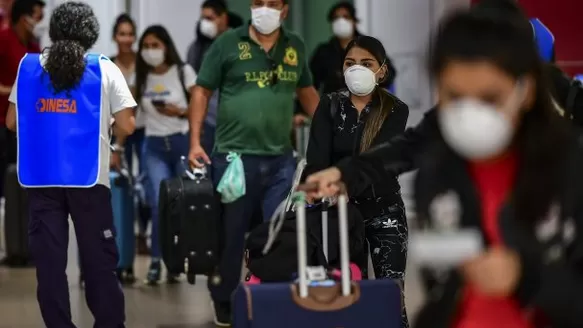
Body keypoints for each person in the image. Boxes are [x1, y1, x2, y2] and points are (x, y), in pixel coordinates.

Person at [307, 7, 583, 328]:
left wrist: (524, 277)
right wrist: (345, 173)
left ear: (527, 90)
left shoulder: (566, 170)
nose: (470, 114)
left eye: (489, 98)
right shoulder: (440, 169)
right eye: (455, 96)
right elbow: (406, 147)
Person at [187, 0, 320, 325]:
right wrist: (194, 142)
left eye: (272, 3)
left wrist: (332, 134)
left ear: (285, 10)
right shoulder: (227, 44)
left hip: (280, 161)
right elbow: (201, 91)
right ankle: (225, 300)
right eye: (258, 2)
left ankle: (270, 296)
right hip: (235, 160)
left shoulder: (295, 46)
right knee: (231, 236)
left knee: (279, 233)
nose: (264, 8)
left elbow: (307, 92)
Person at [5, 2, 135, 327]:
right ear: (90, 34)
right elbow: (128, 124)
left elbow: (10, 121)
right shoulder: (104, 67)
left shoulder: (28, 67)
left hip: (42, 180)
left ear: (54, 30)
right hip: (89, 181)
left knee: (49, 267)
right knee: (99, 266)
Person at [303, 35, 410, 327]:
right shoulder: (329, 105)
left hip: (384, 212)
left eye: (366, 63)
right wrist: (315, 185)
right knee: (349, 294)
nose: (357, 69)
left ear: (382, 71)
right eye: (350, 63)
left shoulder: (395, 110)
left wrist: (345, 184)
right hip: (338, 216)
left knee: (391, 295)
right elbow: (317, 158)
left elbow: (381, 162)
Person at [134, 25, 197, 285]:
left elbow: (199, 105)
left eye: (155, 45)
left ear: (166, 46)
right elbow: (133, 114)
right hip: (154, 147)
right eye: (146, 46)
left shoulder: (183, 72)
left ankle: (175, 259)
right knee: (159, 204)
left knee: (181, 206)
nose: (151, 51)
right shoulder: (142, 76)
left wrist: (180, 112)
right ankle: (156, 260)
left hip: (181, 144)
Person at [0, 0, 44, 266]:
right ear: (23, 17)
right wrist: (10, 90)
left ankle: (23, 244)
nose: (38, 22)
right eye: (36, 16)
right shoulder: (4, 40)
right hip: (3, 120)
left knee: (22, 183)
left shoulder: (35, 47)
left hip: (28, 125)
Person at [107, 13, 151, 257]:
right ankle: (124, 232)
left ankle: (143, 233)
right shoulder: (109, 65)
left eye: (130, 34)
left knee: (143, 182)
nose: (126, 38)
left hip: (143, 129)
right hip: (118, 131)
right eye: (122, 33)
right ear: (115, 36)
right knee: (122, 183)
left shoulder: (143, 63)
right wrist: (117, 143)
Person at [186, 0, 230, 154]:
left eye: (209, 18)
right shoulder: (197, 48)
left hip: (233, 120)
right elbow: (191, 85)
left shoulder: (237, 44)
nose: (205, 23)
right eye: (203, 18)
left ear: (223, 18)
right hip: (208, 120)